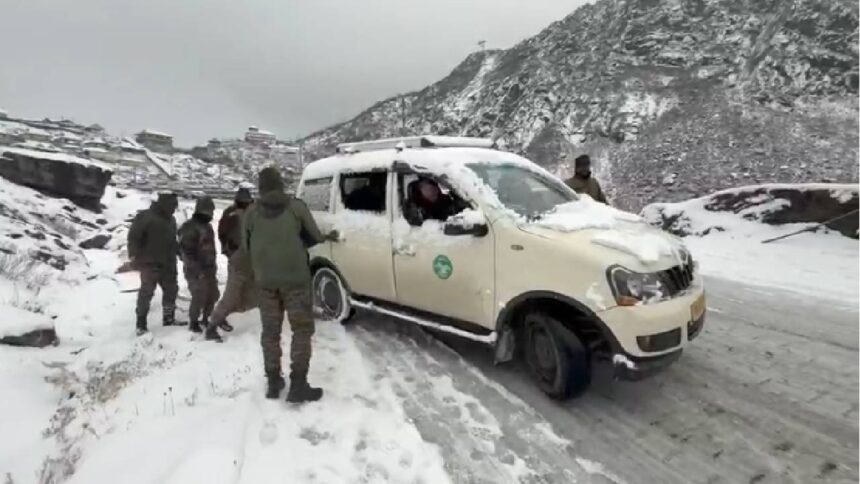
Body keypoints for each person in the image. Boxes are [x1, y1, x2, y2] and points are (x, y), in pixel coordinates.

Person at [243, 167, 338, 402]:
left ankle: (274, 382)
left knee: (270, 332)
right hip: (296, 280)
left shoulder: (251, 213)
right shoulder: (296, 207)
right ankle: (298, 384)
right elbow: (314, 236)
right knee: (301, 330)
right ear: (281, 184)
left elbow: (246, 247)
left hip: (265, 282)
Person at [127, 192, 181, 336]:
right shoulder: (145, 217)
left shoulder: (171, 220)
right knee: (146, 293)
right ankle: (141, 323)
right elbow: (133, 237)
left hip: (169, 263)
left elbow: (172, 240)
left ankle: (169, 318)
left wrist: (180, 252)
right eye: (172, 205)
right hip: (149, 263)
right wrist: (133, 256)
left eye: (175, 205)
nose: (174, 208)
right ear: (164, 204)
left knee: (171, 290)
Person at [207, 187, 256, 341]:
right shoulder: (231, 213)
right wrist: (230, 251)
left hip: (252, 260)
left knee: (251, 296)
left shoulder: (254, 212)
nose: (245, 204)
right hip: (239, 261)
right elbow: (222, 234)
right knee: (231, 296)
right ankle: (211, 327)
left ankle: (223, 316)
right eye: (244, 202)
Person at [178, 196, 220, 337]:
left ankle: (206, 318)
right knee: (199, 295)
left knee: (213, 294)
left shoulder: (207, 227)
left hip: (209, 268)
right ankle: (194, 322)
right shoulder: (189, 227)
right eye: (210, 211)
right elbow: (186, 253)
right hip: (195, 270)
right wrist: (197, 270)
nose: (212, 214)